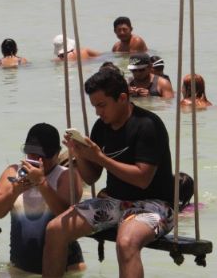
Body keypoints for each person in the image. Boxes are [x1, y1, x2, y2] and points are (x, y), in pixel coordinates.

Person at [42, 69, 175, 278]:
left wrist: (101, 158)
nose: (98, 112)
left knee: (126, 242)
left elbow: (142, 179)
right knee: (55, 229)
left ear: (122, 98)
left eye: (102, 105)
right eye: (94, 106)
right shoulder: (101, 126)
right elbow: (91, 177)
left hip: (154, 204)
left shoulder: (148, 125)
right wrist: (81, 155)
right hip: (114, 202)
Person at [0, 123, 85, 274]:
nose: (34, 159)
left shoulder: (66, 176)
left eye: (41, 156)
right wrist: (15, 190)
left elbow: (65, 215)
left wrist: (42, 182)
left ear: (56, 153)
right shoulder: (13, 172)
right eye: (30, 154)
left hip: (65, 270)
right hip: (21, 268)